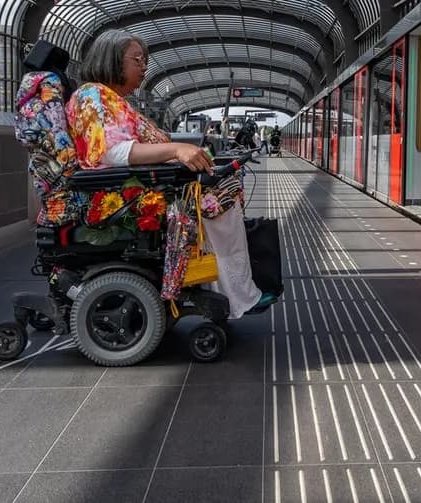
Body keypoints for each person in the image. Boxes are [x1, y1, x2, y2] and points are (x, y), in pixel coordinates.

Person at [65, 29, 276, 317]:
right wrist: (175, 151)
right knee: (216, 205)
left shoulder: (111, 99)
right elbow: (109, 152)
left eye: (144, 60)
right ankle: (237, 296)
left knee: (222, 192)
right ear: (111, 59)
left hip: (135, 186)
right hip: (119, 195)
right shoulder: (93, 96)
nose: (144, 67)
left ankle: (233, 290)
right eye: (137, 60)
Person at [13, 40, 85, 226]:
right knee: (65, 198)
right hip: (57, 151)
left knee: (49, 197)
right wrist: (69, 154)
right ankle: (62, 232)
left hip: (38, 153)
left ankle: (50, 226)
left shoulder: (27, 85)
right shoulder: (51, 81)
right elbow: (56, 122)